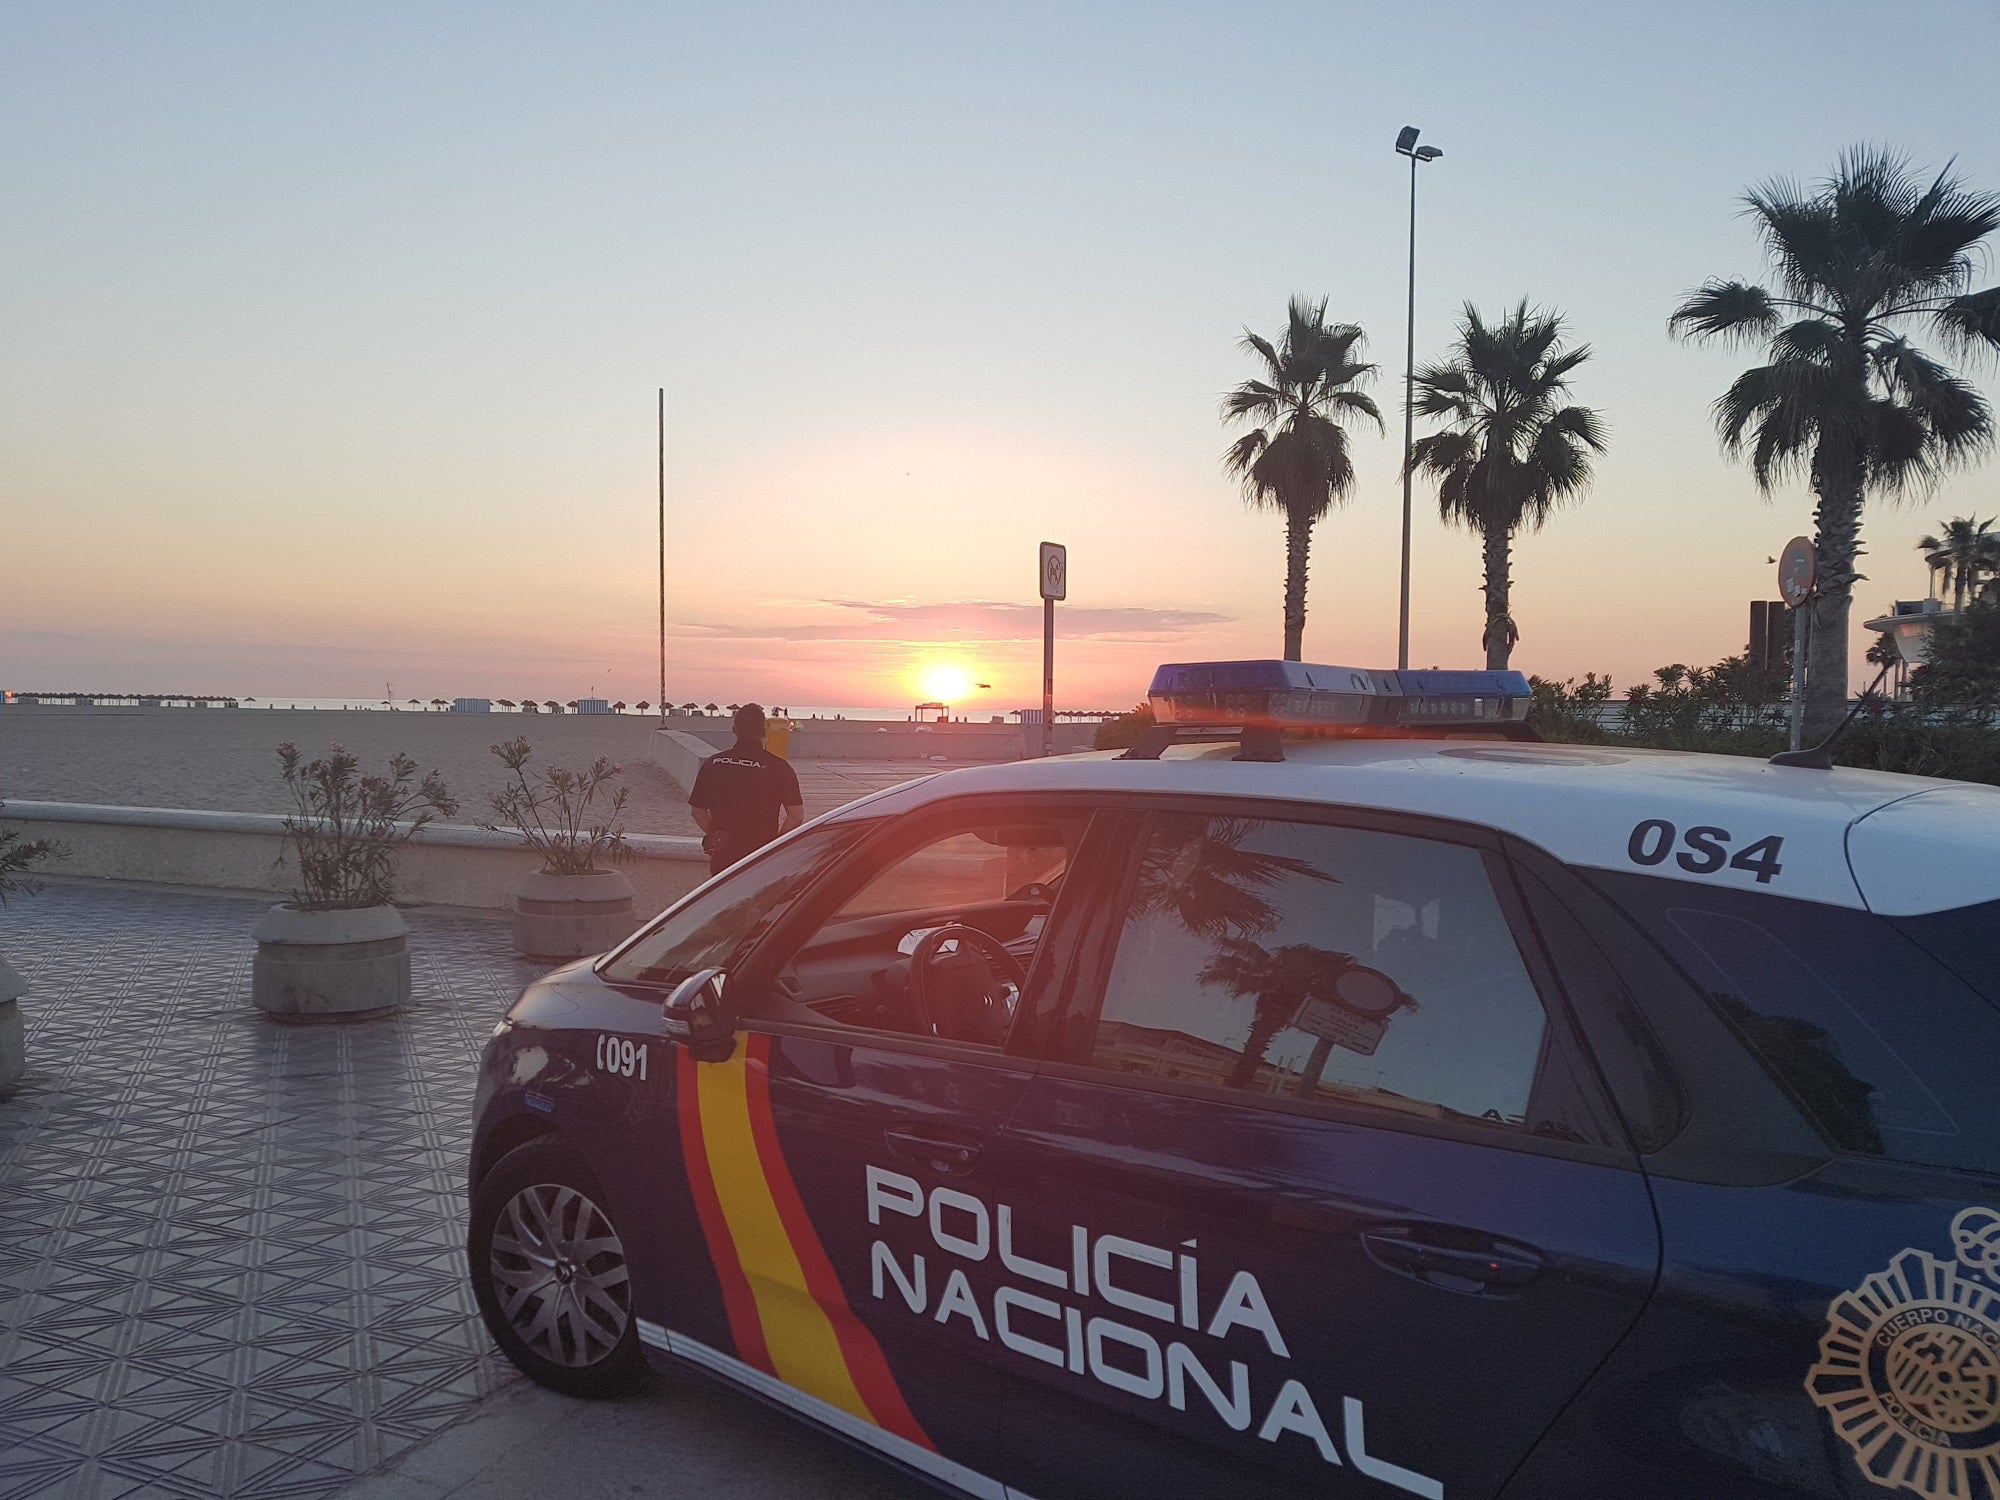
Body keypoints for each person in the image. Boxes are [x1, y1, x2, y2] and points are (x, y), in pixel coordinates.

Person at [687, 703, 804, 875]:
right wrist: (774, 845)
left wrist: (715, 834)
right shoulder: (780, 768)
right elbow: (796, 816)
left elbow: (697, 811)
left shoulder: (713, 763)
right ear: (764, 732)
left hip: (723, 854)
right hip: (760, 856)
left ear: (734, 729)